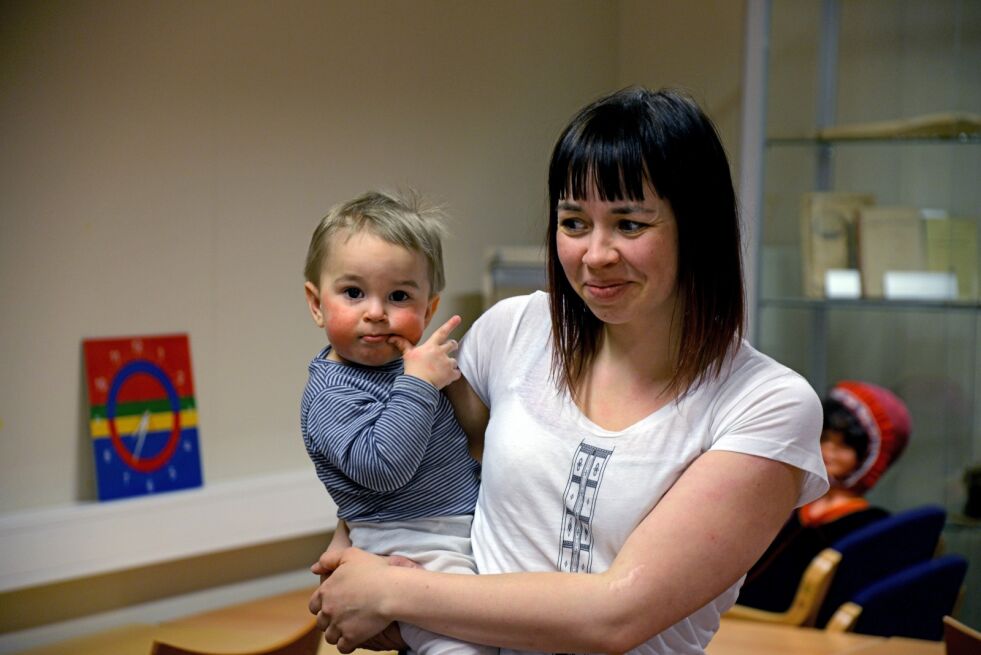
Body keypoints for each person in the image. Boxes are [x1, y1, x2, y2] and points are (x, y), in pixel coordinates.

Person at [308, 87, 829, 655]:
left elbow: (614, 615)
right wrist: (357, 559)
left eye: (630, 224)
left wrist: (394, 593)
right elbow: (411, 468)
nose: (596, 254)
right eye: (575, 223)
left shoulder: (766, 404)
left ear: (695, 228)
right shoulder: (512, 331)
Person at [301, 190, 496, 655]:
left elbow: (479, 434)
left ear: (428, 310)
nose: (375, 311)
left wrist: (449, 381)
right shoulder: (331, 392)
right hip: (406, 542)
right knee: (462, 648)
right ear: (316, 303)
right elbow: (385, 467)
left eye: (399, 296)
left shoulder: (415, 368)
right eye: (353, 292)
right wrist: (420, 385)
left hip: (459, 529)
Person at [736, 380, 911, 613]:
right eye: (825, 438)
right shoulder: (793, 507)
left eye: (845, 445)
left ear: (869, 456)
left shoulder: (871, 527)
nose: (829, 451)